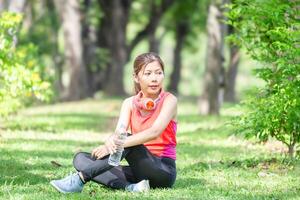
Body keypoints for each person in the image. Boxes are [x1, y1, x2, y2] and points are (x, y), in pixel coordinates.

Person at [50, 52, 178, 193]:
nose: (154, 79)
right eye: (148, 74)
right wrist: (109, 142)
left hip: (162, 171)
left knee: (127, 139)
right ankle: (131, 188)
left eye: (158, 73)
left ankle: (79, 179)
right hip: (138, 170)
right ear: (136, 77)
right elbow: (119, 132)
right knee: (81, 159)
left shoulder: (170, 100)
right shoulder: (129, 103)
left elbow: (154, 132)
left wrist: (119, 142)